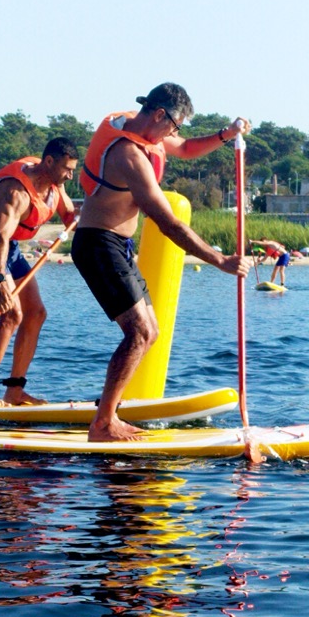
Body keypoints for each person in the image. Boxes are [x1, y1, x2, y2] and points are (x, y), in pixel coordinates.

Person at [72, 83, 251, 441]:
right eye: (174, 125)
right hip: (97, 244)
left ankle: (108, 412)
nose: (174, 133)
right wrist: (220, 261)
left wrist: (225, 135)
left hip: (117, 244)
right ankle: (103, 423)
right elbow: (168, 223)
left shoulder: (141, 128)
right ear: (158, 114)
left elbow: (185, 148)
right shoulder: (129, 156)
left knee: (149, 332)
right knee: (138, 332)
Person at [0, 137, 78, 407]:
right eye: (67, 169)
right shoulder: (16, 191)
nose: (70, 176)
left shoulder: (55, 186)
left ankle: (14, 390)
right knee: (11, 313)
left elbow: (70, 215)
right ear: (49, 162)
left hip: (11, 248)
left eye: (74, 170)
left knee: (36, 312)